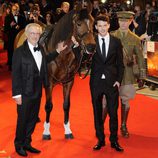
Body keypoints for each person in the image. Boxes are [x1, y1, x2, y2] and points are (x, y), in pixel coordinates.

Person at [12, 23, 68, 157]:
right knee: (23, 119)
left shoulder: (41, 48)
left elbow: (45, 60)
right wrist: (16, 94)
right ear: (26, 34)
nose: (35, 36)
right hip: (24, 92)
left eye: (37, 34)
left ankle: (27, 142)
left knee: (32, 119)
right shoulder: (19, 52)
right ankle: (19, 144)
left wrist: (57, 51)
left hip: (37, 90)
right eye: (32, 33)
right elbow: (16, 74)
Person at [103, 11, 146, 138]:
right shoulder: (110, 35)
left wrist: (142, 76)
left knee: (125, 102)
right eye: (121, 20)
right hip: (111, 74)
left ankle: (123, 125)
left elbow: (140, 58)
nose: (123, 23)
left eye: (126, 21)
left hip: (127, 75)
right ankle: (101, 125)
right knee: (105, 102)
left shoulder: (135, 39)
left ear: (130, 21)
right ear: (118, 21)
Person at [90, 14, 124, 152]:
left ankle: (114, 141)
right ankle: (100, 139)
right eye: (100, 26)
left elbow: (120, 64)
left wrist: (118, 80)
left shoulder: (116, 42)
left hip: (111, 82)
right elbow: (84, 58)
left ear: (109, 26)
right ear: (96, 27)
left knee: (113, 113)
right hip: (96, 82)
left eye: (105, 25)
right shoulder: (91, 41)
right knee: (97, 112)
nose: (102, 28)